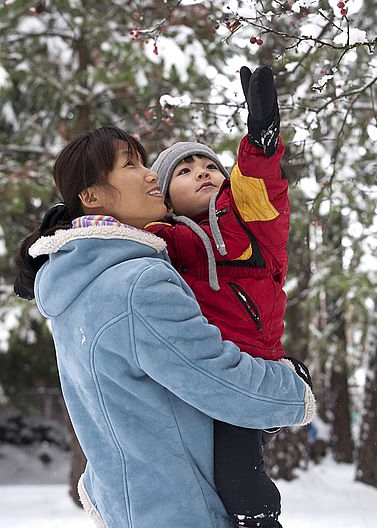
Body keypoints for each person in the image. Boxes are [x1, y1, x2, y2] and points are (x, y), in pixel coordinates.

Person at [13, 125, 316, 528]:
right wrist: (293, 386)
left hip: (134, 505)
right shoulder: (139, 283)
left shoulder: (73, 285)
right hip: (184, 508)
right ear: (92, 197)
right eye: (131, 164)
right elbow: (220, 380)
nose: (150, 174)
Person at [144, 66, 306, 527]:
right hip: (195, 373)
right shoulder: (163, 237)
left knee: (240, 483)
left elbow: (259, 181)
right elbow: (113, 239)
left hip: (249, 373)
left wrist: (261, 140)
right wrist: (58, 239)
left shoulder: (249, 219)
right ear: (165, 197)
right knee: (194, 482)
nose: (203, 173)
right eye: (185, 170)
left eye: (210, 166)